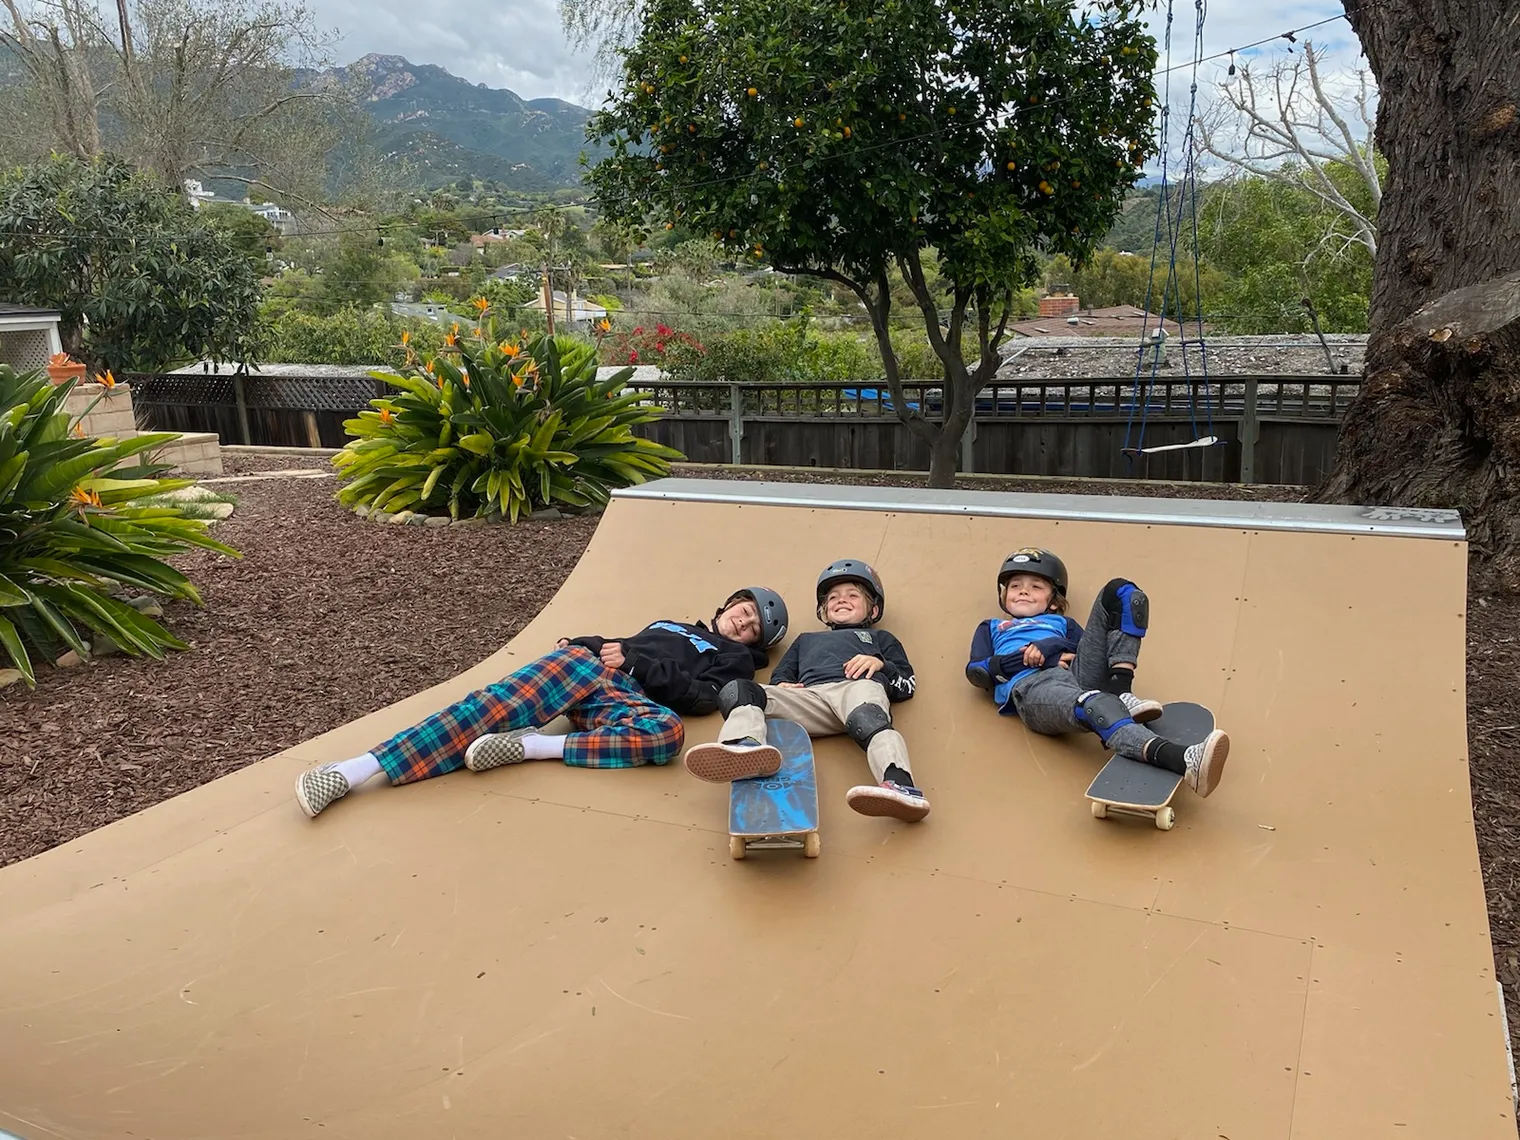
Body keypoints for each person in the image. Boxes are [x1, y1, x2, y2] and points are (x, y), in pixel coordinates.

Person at [294, 587, 790, 817]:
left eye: (751, 630)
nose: (741, 625)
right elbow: (610, 641)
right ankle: (355, 769)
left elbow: (702, 699)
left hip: (629, 695)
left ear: (753, 645)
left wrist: (639, 666)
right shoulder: (667, 623)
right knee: (493, 705)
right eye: (741, 613)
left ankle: (531, 746)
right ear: (725, 606)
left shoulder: (736, 660)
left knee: (667, 735)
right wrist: (580, 641)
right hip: (587, 666)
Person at [965, 548, 1229, 797]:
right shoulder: (992, 627)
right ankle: (1183, 760)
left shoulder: (1062, 623)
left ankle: (1122, 693)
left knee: (1122, 592)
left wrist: (1050, 646)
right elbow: (977, 671)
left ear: (1054, 601)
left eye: (1036, 586)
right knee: (1096, 703)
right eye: (1015, 586)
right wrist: (1028, 659)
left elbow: (1079, 648)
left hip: (1076, 676)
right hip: (1033, 689)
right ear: (1003, 596)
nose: (1024, 592)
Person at [683, 559, 929, 822]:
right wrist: (783, 686)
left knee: (868, 717)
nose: (840, 600)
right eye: (832, 597)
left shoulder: (882, 639)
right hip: (811, 699)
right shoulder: (806, 641)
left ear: (874, 608)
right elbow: (782, 675)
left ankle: (900, 784)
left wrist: (880, 664)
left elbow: (907, 683)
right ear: (823, 609)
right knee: (740, 690)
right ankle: (743, 746)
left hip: (855, 691)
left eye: (852, 595)